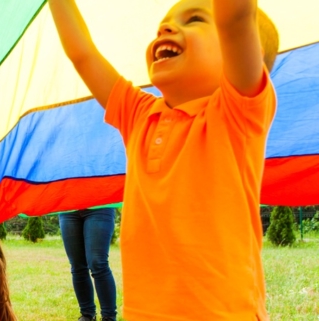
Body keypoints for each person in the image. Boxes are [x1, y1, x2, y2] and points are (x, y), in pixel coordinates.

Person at [48, 0, 279, 319]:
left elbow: (236, 16)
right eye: (165, 22)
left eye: (194, 19)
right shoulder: (139, 115)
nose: (165, 28)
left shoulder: (238, 114)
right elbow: (83, 54)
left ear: (242, 51)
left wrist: (233, 22)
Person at [59, 208, 117, 321]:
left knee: (97, 263)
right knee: (77, 266)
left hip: (99, 206)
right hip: (68, 209)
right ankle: (87, 314)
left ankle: (109, 316)